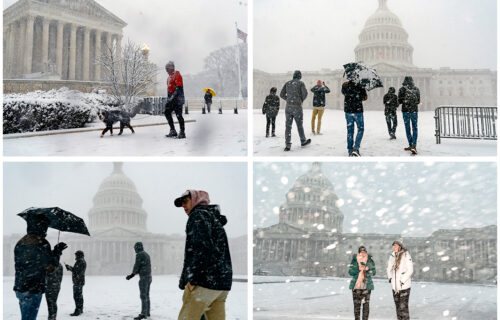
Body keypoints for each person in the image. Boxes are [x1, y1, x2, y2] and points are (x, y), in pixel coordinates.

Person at [174, 190, 232, 320]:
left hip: (204, 284)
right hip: (221, 285)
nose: (183, 205)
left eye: (185, 201)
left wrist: (193, 279)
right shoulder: (214, 220)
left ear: (196, 200)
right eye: (181, 203)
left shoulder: (197, 216)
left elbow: (202, 249)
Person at [14, 214, 67, 320]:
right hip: (34, 287)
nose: (46, 231)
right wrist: (57, 252)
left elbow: (32, 261)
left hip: (20, 286)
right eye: (45, 227)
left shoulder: (20, 243)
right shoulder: (42, 243)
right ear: (41, 227)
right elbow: (50, 268)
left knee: (25, 317)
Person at [280, 70, 311, 151]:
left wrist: (288, 99)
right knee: (299, 125)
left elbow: (281, 94)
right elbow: (305, 94)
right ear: (299, 76)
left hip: (288, 107)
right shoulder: (301, 83)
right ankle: (303, 141)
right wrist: (300, 100)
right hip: (297, 107)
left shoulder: (287, 83)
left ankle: (288, 145)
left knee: (288, 126)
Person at [386, 239, 413, 320]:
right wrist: (390, 278)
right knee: (398, 308)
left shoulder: (406, 255)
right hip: (395, 287)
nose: (394, 247)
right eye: (393, 245)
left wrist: (402, 281)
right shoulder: (392, 256)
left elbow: (410, 270)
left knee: (403, 309)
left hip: (404, 287)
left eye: (396, 245)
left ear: (400, 246)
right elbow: (389, 268)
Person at [126, 242, 152, 320]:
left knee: (143, 295)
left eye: (135, 248)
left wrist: (131, 275)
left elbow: (137, 265)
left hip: (144, 277)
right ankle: (147, 312)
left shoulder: (140, 255)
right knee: (147, 295)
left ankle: (143, 313)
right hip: (149, 277)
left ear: (138, 248)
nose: (135, 250)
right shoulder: (146, 254)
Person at [348, 246, 376, 320]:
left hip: (367, 286)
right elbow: (350, 272)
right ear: (359, 253)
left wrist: (368, 269)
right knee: (356, 306)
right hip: (356, 286)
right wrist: (358, 269)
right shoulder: (354, 260)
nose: (363, 254)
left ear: (366, 252)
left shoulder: (370, 260)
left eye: (364, 252)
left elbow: (374, 272)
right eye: (361, 252)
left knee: (366, 306)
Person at [341, 80, 368, 157]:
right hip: (358, 111)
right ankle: (356, 148)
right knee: (360, 129)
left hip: (348, 111)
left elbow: (343, 93)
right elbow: (365, 98)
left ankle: (350, 150)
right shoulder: (361, 86)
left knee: (350, 131)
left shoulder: (345, 85)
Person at [398, 76, 420, 154]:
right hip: (414, 111)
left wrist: (404, 100)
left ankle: (411, 145)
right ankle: (414, 145)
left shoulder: (402, 89)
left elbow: (399, 101)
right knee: (415, 128)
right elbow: (418, 101)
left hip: (405, 111)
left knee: (407, 129)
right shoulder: (416, 89)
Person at [165, 61, 186, 139]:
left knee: (179, 115)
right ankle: (172, 130)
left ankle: (182, 132)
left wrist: (172, 98)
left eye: (167, 68)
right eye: (165, 69)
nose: (166, 70)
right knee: (167, 112)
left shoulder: (177, 75)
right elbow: (169, 90)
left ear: (171, 68)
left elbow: (179, 88)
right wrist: (168, 99)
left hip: (178, 99)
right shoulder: (168, 78)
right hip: (171, 99)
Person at [65, 250, 87, 316]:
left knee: (77, 296)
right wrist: (70, 268)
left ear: (78, 255)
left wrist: (69, 267)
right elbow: (76, 270)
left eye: (76, 255)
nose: (75, 256)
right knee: (79, 296)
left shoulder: (80, 261)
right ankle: (80, 309)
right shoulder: (81, 261)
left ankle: (78, 310)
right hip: (79, 281)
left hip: (78, 281)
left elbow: (76, 271)